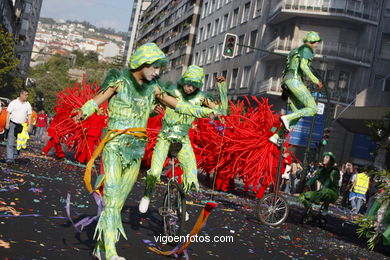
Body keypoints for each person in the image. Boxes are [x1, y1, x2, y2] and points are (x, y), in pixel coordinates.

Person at [73, 43, 219, 260]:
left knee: (119, 201)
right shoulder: (119, 82)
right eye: (155, 68)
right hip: (114, 146)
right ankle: (111, 252)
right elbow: (97, 101)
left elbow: (178, 105)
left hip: (135, 151)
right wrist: (84, 111)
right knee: (112, 197)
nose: (158, 73)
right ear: (142, 64)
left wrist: (206, 111)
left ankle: (100, 247)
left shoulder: (155, 89)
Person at [138, 65, 228, 213]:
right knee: (154, 171)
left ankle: (180, 204)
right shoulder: (171, 92)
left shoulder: (201, 98)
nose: (190, 89)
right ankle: (147, 195)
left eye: (193, 86)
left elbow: (221, 112)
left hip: (183, 141)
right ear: (183, 81)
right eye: (188, 84)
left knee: (191, 174)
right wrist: (154, 112)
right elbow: (150, 111)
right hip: (165, 138)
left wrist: (222, 89)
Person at [269, 31, 323, 145]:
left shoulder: (294, 51)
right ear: (312, 42)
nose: (316, 46)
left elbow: (287, 69)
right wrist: (316, 80)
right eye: (315, 43)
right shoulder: (306, 49)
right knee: (313, 108)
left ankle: (277, 136)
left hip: (287, 82)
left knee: (299, 112)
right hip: (294, 81)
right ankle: (287, 118)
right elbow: (303, 66)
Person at [5, 89, 32, 164]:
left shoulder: (28, 104)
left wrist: (29, 125)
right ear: (21, 94)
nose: (27, 96)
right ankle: (9, 159)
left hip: (22, 126)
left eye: (27, 95)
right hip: (13, 124)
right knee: (10, 142)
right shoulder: (13, 102)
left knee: (19, 143)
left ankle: (14, 156)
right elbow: (8, 113)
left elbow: (29, 115)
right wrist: (7, 123)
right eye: (26, 95)